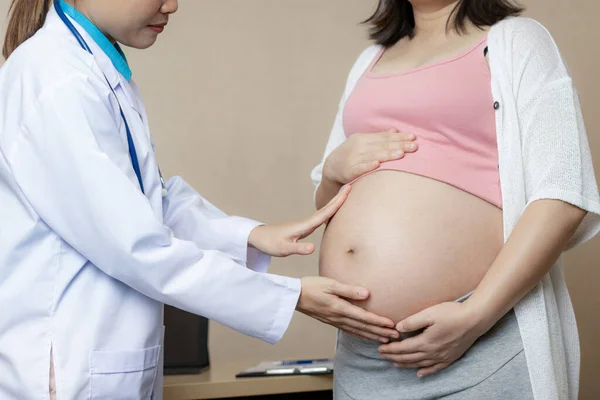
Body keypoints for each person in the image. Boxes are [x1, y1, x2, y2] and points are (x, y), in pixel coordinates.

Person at [0, 0, 404, 398]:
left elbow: (149, 197)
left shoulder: (91, 69)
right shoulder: (56, 79)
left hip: (95, 359)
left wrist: (251, 235)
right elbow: (136, 245)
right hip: (67, 368)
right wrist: (289, 296)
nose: (172, 5)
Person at [311, 0, 600, 399]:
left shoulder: (516, 41)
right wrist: (331, 172)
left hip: (481, 340)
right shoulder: (368, 61)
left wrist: (475, 315)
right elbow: (327, 206)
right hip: (363, 356)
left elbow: (564, 193)